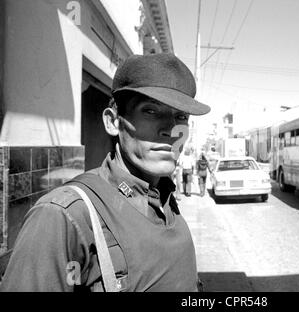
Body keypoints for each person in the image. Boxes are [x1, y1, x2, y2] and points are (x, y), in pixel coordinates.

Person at [0, 53, 210, 292]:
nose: (171, 130)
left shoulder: (165, 198)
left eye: (180, 116)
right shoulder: (64, 215)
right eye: (151, 111)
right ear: (113, 122)